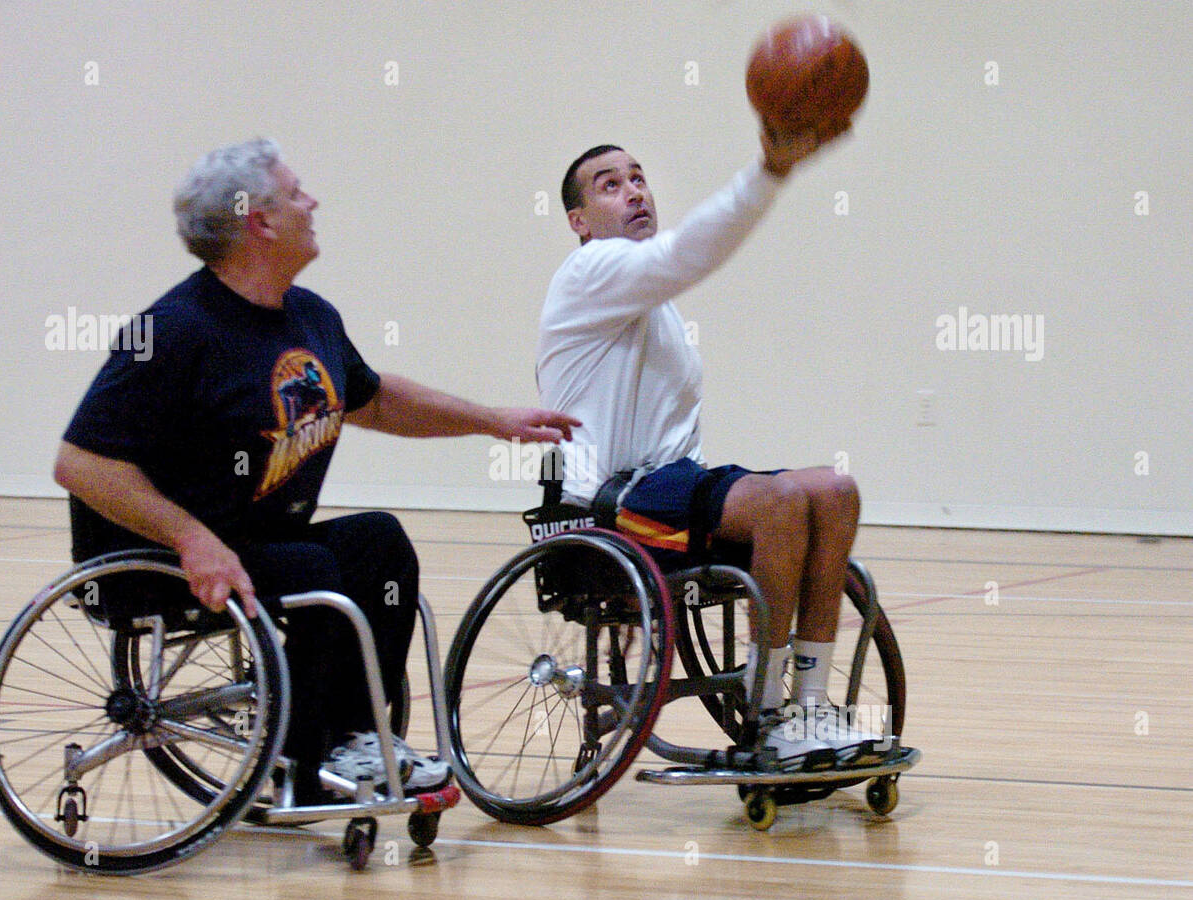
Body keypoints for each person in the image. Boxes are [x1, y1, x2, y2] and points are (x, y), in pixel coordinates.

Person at [56, 138, 578, 806]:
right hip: (148, 559)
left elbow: (375, 399)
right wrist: (190, 538)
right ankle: (297, 765)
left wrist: (491, 420)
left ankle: (357, 739)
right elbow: (80, 462)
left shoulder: (310, 316)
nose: (314, 201)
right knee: (310, 573)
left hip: (252, 539)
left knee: (378, 544)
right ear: (259, 221)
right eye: (297, 192)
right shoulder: (174, 330)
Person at [537, 122, 882, 770]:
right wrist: (769, 172)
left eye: (638, 177)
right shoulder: (589, 272)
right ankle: (768, 714)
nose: (635, 191)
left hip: (670, 482)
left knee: (835, 492)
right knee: (779, 504)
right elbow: (685, 252)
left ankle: (808, 706)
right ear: (579, 221)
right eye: (610, 186)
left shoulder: (650, 302)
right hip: (609, 500)